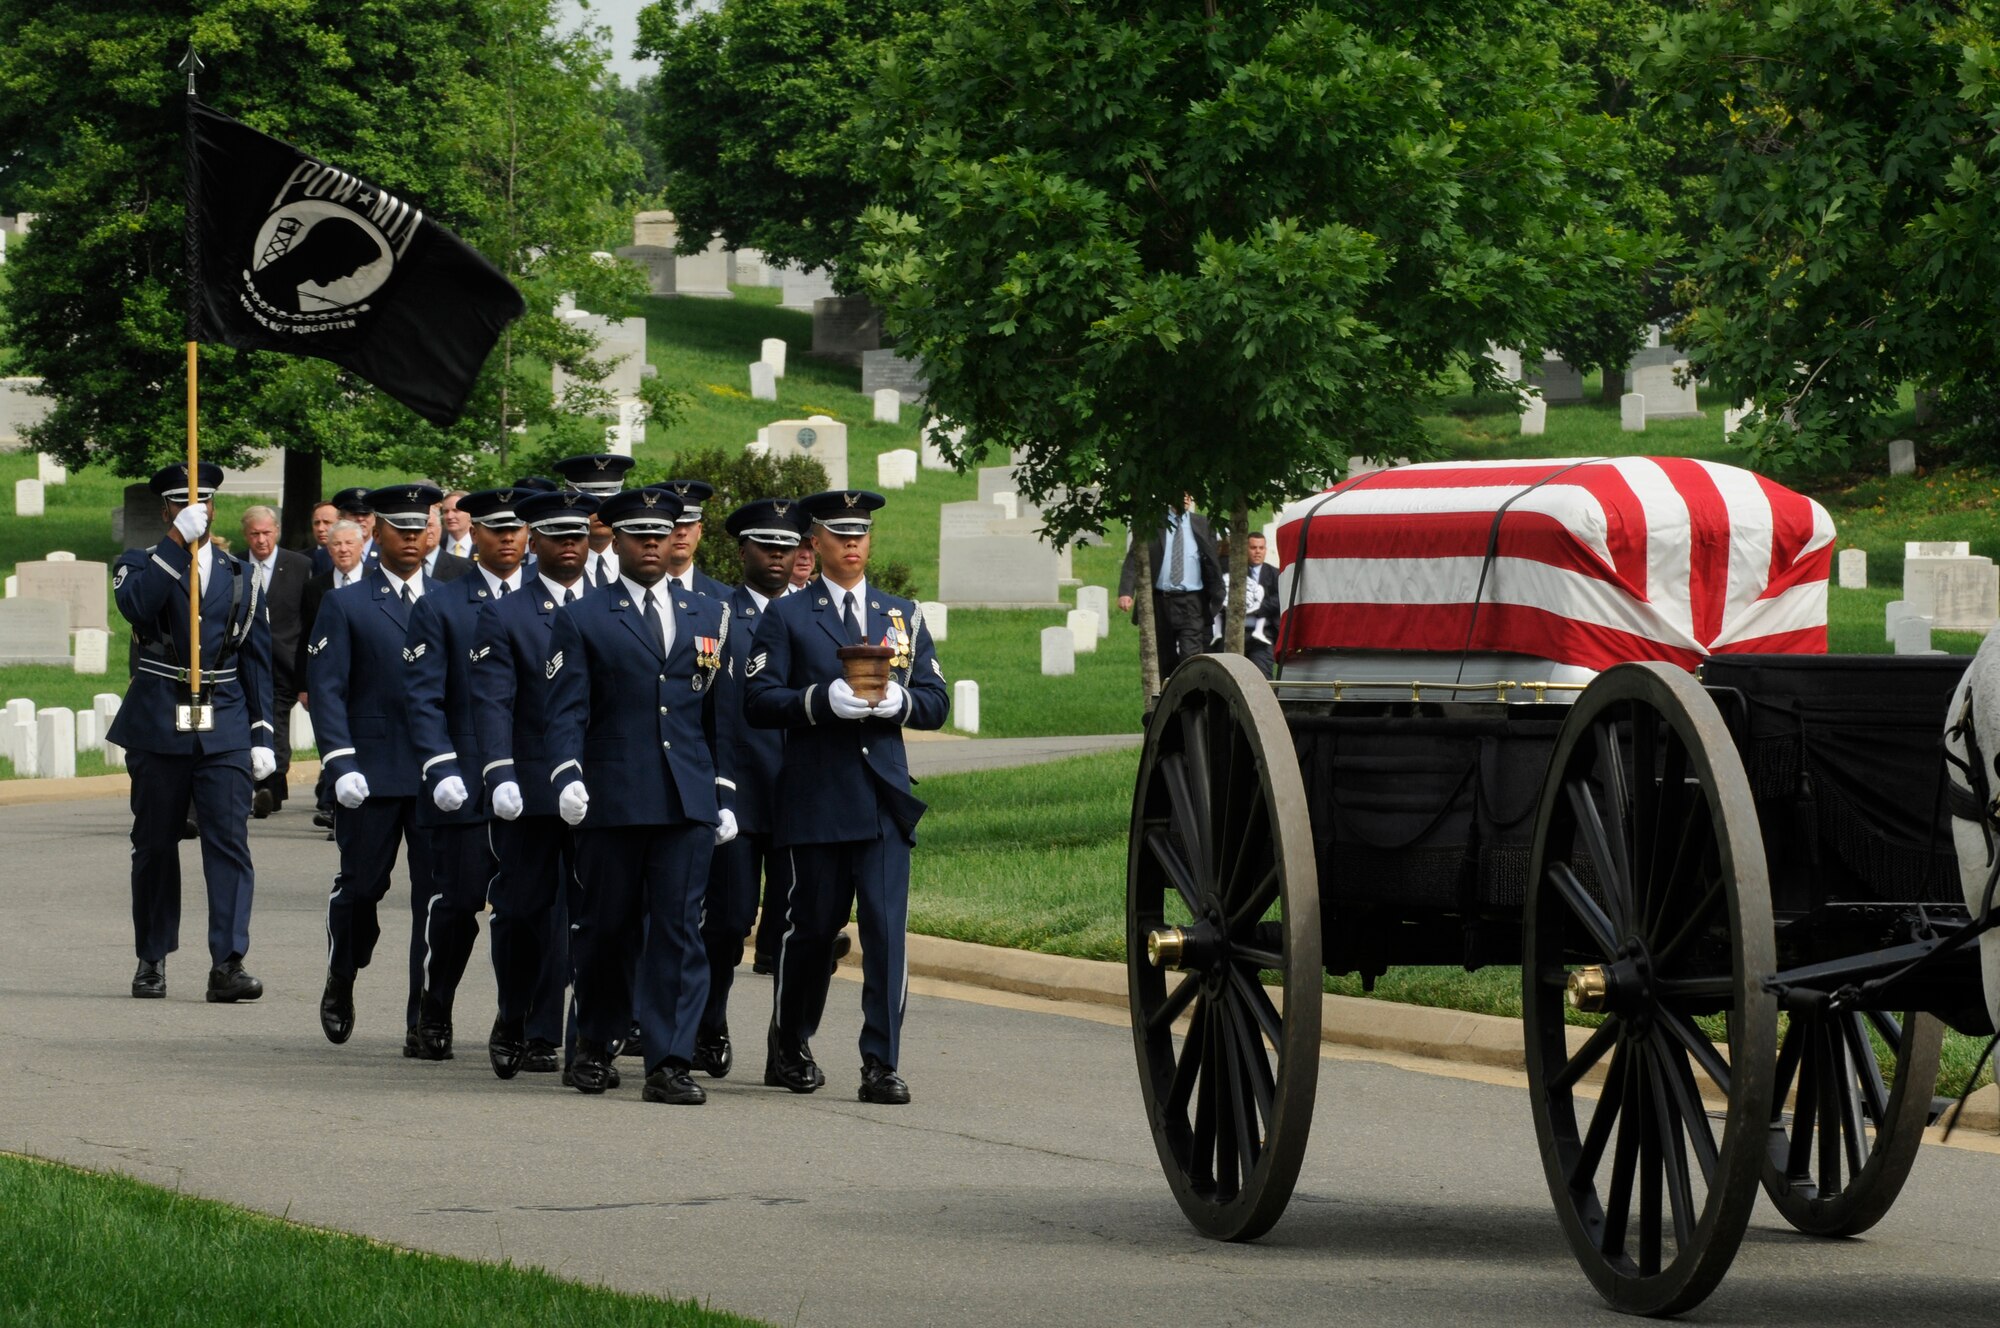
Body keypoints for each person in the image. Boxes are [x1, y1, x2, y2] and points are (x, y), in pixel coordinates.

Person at [745, 489, 949, 1104]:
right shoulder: (787, 615)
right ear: (816, 544)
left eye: (860, 534)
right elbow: (757, 701)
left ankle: (881, 1062)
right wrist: (817, 701)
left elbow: (936, 701)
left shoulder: (900, 614)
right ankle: (790, 1042)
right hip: (818, 797)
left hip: (884, 800)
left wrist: (903, 703)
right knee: (811, 931)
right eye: (839, 535)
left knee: (887, 933)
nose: (853, 544)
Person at [544, 486, 738, 1105]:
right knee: (608, 927)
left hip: (686, 798)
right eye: (639, 535)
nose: (653, 544)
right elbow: (566, 708)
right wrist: (567, 775)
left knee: (680, 931)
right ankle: (597, 1043)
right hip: (613, 794)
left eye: (662, 534)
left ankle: (669, 1060)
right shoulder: (585, 615)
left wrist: (724, 792)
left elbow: (718, 717)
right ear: (618, 541)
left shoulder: (709, 613)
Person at [109, 462, 274, 1003]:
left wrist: (263, 733)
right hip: (159, 716)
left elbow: (254, 658)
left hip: (222, 720)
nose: (192, 511)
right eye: (180, 506)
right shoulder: (139, 564)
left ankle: (228, 962)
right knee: (155, 844)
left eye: (199, 505)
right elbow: (137, 606)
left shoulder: (238, 574)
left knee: (229, 843)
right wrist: (177, 542)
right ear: (167, 511)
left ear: (213, 508)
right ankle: (151, 957)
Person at [307, 483, 444, 1052]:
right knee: (362, 889)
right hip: (371, 773)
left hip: (440, 777)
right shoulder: (347, 604)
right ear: (375, 533)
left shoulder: (451, 599)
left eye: (420, 529)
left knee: (436, 901)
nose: (411, 538)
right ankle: (344, 972)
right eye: (400, 528)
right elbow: (327, 689)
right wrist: (340, 762)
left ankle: (425, 1015)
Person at [473, 489, 598, 1082]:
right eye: (556, 536)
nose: (569, 546)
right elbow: (493, 700)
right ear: (534, 541)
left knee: (598, 915)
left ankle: (578, 1035)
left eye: (577, 535)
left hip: (598, 786)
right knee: (527, 913)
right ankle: (514, 1014)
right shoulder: (506, 612)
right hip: (529, 786)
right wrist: (498, 771)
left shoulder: (608, 606)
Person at [403, 487, 529, 1060]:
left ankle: (516, 1019)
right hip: (465, 782)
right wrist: (440, 767)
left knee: (527, 910)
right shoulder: (442, 604)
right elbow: (423, 698)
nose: (508, 538)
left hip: (533, 783)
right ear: (472, 534)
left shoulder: (548, 603)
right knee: (457, 905)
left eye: (517, 528)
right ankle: (437, 1006)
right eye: (496, 528)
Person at [694, 497, 808, 1078]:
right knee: (729, 920)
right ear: (742, 551)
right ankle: (708, 1022)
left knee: (798, 928)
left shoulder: (816, 617)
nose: (778, 557)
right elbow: (704, 711)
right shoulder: (717, 616)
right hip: (736, 791)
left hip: (804, 797)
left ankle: (788, 1045)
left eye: (787, 547)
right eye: (766, 546)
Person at [240, 505, 312, 816]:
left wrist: (306, 675)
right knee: (249, 722)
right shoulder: (234, 565)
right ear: (246, 535)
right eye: (255, 534)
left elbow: (307, 619)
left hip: (286, 662)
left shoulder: (299, 566)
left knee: (276, 722)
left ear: (277, 531)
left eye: (267, 533)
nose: (261, 540)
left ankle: (271, 784)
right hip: (245, 661)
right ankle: (262, 786)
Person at [300, 520, 369, 834]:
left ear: (361, 546)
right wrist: (304, 685)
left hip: (367, 682)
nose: (342, 550)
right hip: (330, 681)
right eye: (336, 545)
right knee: (335, 742)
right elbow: (306, 640)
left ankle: (349, 808)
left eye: (348, 544)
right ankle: (334, 808)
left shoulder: (375, 581)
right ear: (328, 550)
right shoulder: (316, 587)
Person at [1117, 496, 1222, 683]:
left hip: (1192, 601)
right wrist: (1126, 591)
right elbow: (1134, 558)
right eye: (1180, 494)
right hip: (1160, 601)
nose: (1185, 499)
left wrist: (1217, 594)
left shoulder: (1203, 524)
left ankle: (1190, 704)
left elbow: (1212, 560)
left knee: (1191, 656)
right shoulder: (1152, 524)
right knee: (1163, 657)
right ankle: (1168, 703)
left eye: (1188, 494)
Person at [648, 478, 732, 599]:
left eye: (689, 524)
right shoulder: (638, 595)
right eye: (674, 524)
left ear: (699, 531)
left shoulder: (723, 597)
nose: (682, 532)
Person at [1243, 531, 1281, 677]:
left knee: (1262, 677)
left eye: (1261, 548)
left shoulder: (1274, 574)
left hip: (1264, 634)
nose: (1257, 552)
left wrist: (1255, 608)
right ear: (1245, 549)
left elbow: (1280, 598)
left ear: (1265, 550)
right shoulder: (1236, 572)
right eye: (1253, 548)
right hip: (1237, 633)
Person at [422, 506, 474, 582]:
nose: (426, 531)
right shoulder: (400, 565)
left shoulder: (464, 567)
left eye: (430, 525)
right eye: (421, 526)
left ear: (440, 528)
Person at [308, 500, 340, 577]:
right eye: (316, 523)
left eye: (327, 522)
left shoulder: (348, 557)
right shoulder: (301, 560)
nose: (320, 528)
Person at [439, 491, 473, 559]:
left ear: (470, 513)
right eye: (445, 511)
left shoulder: (484, 546)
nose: (449, 516)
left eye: (456, 511)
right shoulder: (437, 547)